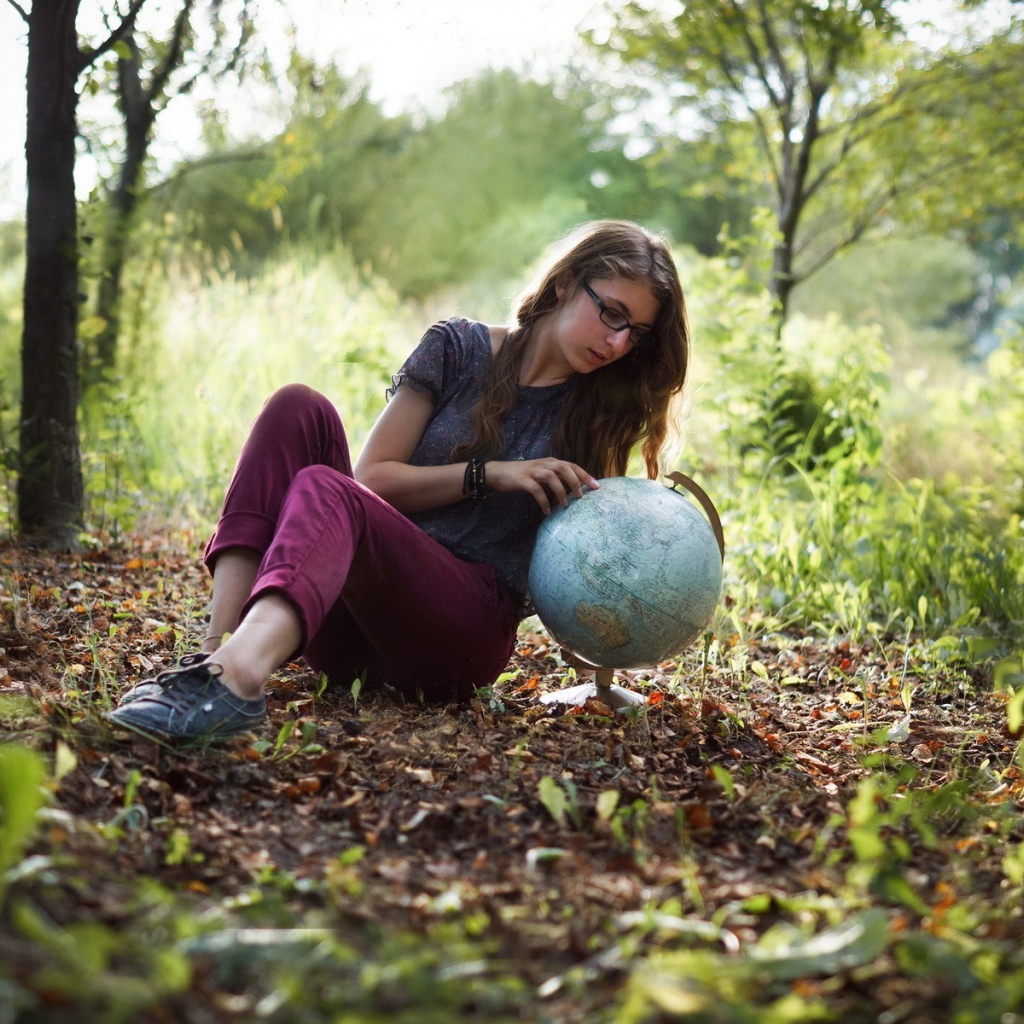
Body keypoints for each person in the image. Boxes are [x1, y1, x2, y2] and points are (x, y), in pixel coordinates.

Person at [106, 220, 690, 741]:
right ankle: (213, 659)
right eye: (611, 313)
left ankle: (237, 679)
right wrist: (493, 475)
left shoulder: (602, 415)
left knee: (329, 490)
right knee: (296, 408)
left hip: (453, 637)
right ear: (566, 283)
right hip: (344, 617)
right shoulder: (458, 349)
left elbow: (597, 555)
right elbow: (373, 481)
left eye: (634, 333)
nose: (617, 343)